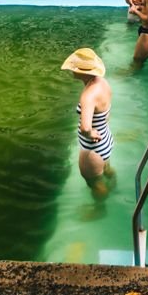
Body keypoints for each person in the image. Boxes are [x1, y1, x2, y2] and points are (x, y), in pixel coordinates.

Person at [63, 48, 115, 199]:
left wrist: (90, 133)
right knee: (106, 170)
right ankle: (114, 185)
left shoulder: (88, 95)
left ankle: (99, 209)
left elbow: (86, 128)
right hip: (106, 139)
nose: (72, 70)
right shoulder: (102, 82)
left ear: (83, 72)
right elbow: (106, 112)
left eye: (74, 67)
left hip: (92, 148)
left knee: (93, 183)